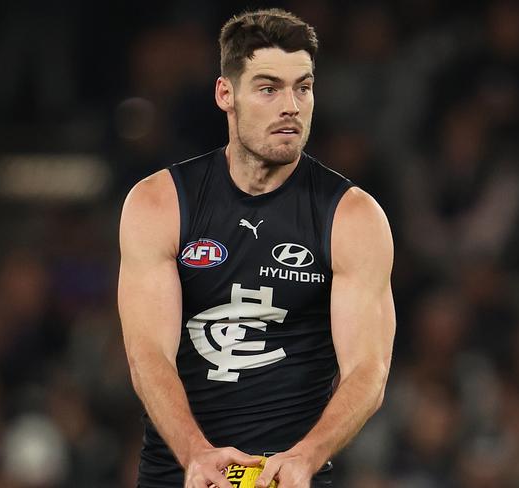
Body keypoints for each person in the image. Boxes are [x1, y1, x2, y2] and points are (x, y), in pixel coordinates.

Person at [118, 8, 395, 488]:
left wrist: (307, 456)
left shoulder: (352, 217)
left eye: (302, 87)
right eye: (268, 88)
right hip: (179, 476)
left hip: (291, 478)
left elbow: (369, 370)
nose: (291, 105)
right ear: (226, 94)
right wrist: (197, 455)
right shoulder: (159, 203)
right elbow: (148, 356)